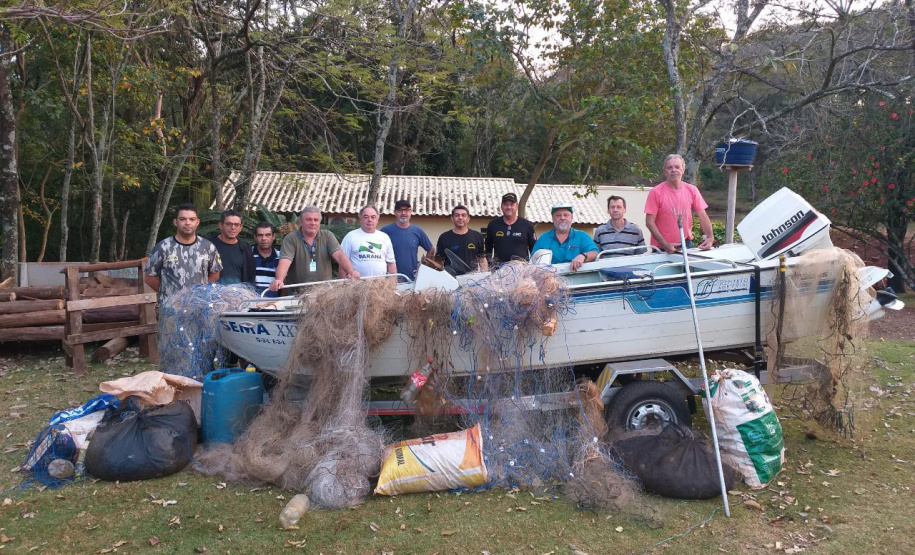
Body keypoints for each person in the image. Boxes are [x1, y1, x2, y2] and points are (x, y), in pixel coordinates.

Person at [144, 203, 222, 303]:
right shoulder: (163, 247)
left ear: (197, 222)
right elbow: (149, 278)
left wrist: (202, 293)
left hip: (199, 306)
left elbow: (215, 274)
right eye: (182, 219)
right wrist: (168, 294)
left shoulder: (208, 247)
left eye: (192, 219)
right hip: (171, 309)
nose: (187, 223)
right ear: (175, 222)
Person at [269, 206, 360, 292]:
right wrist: (279, 280)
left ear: (319, 222)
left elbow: (339, 256)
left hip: (324, 293)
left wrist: (351, 271)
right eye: (308, 219)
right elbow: (285, 261)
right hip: (297, 293)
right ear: (301, 221)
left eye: (316, 220)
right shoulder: (291, 238)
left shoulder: (327, 236)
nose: (313, 223)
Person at [645, 154, 714, 253]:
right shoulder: (656, 192)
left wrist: (710, 237)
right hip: (662, 248)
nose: (674, 170)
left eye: (677, 167)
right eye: (670, 167)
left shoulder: (692, 190)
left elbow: (702, 215)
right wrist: (664, 244)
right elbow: (649, 222)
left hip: (686, 245)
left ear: (683, 169)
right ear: (665, 171)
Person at [532, 203, 598, 271]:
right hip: (550, 278)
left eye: (566, 215)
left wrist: (583, 256)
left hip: (578, 276)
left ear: (571, 217)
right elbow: (534, 261)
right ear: (552, 218)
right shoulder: (543, 239)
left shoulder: (582, 236)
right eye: (558, 215)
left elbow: (594, 253)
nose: (562, 218)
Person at [381, 199, 434, 278]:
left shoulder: (417, 231)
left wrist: (422, 267)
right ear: (395, 213)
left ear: (410, 212)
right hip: (390, 279)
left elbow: (431, 249)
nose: (403, 213)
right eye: (400, 210)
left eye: (406, 210)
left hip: (411, 278)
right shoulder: (385, 231)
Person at [340, 205, 397, 277]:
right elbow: (342, 262)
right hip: (356, 284)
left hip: (380, 284)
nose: (370, 220)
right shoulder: (350, 236)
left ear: (377, 220)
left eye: (373, 217)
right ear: (360, 219)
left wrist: (393, 284)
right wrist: (344, 284)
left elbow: (391, 263)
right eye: (366, 217)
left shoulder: (384, 237)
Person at [484, 192, 536, 265]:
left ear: (517, 206)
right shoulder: (493, 225)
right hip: (499, 270)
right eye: (506, 204)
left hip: (522, 270)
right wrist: (490, 265)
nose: (508, 207)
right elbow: (488, 248)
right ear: (501, 206)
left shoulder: (527, 225)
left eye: (512, 205)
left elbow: (534, 249)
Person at [436, 205, 489, 275]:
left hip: (471, 279)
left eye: (463, 215)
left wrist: (485, 276)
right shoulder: (444, 237)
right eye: (457, 215)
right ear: (452, 218)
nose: (460, 218)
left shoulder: (477, 236)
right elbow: (439, 262)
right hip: (451, 279)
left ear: (468, 219)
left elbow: (482, 260)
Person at [209, 209, 256, 285]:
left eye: (236, 225)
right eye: (229, 224)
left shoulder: (245, 248)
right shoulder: (209, 245)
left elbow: (250, 276)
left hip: (239, 294)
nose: (233, 227)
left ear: (241, 227)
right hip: (212, 294)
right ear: (221, 225)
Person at [252, 222, 281, 298]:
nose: (264, 238)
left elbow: (285, 281)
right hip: (252, 304)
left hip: (274, 304)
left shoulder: (281, 257)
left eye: (268, 235)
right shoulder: (248, 255)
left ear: (273, 236)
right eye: (260, 235)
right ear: (255, 237)